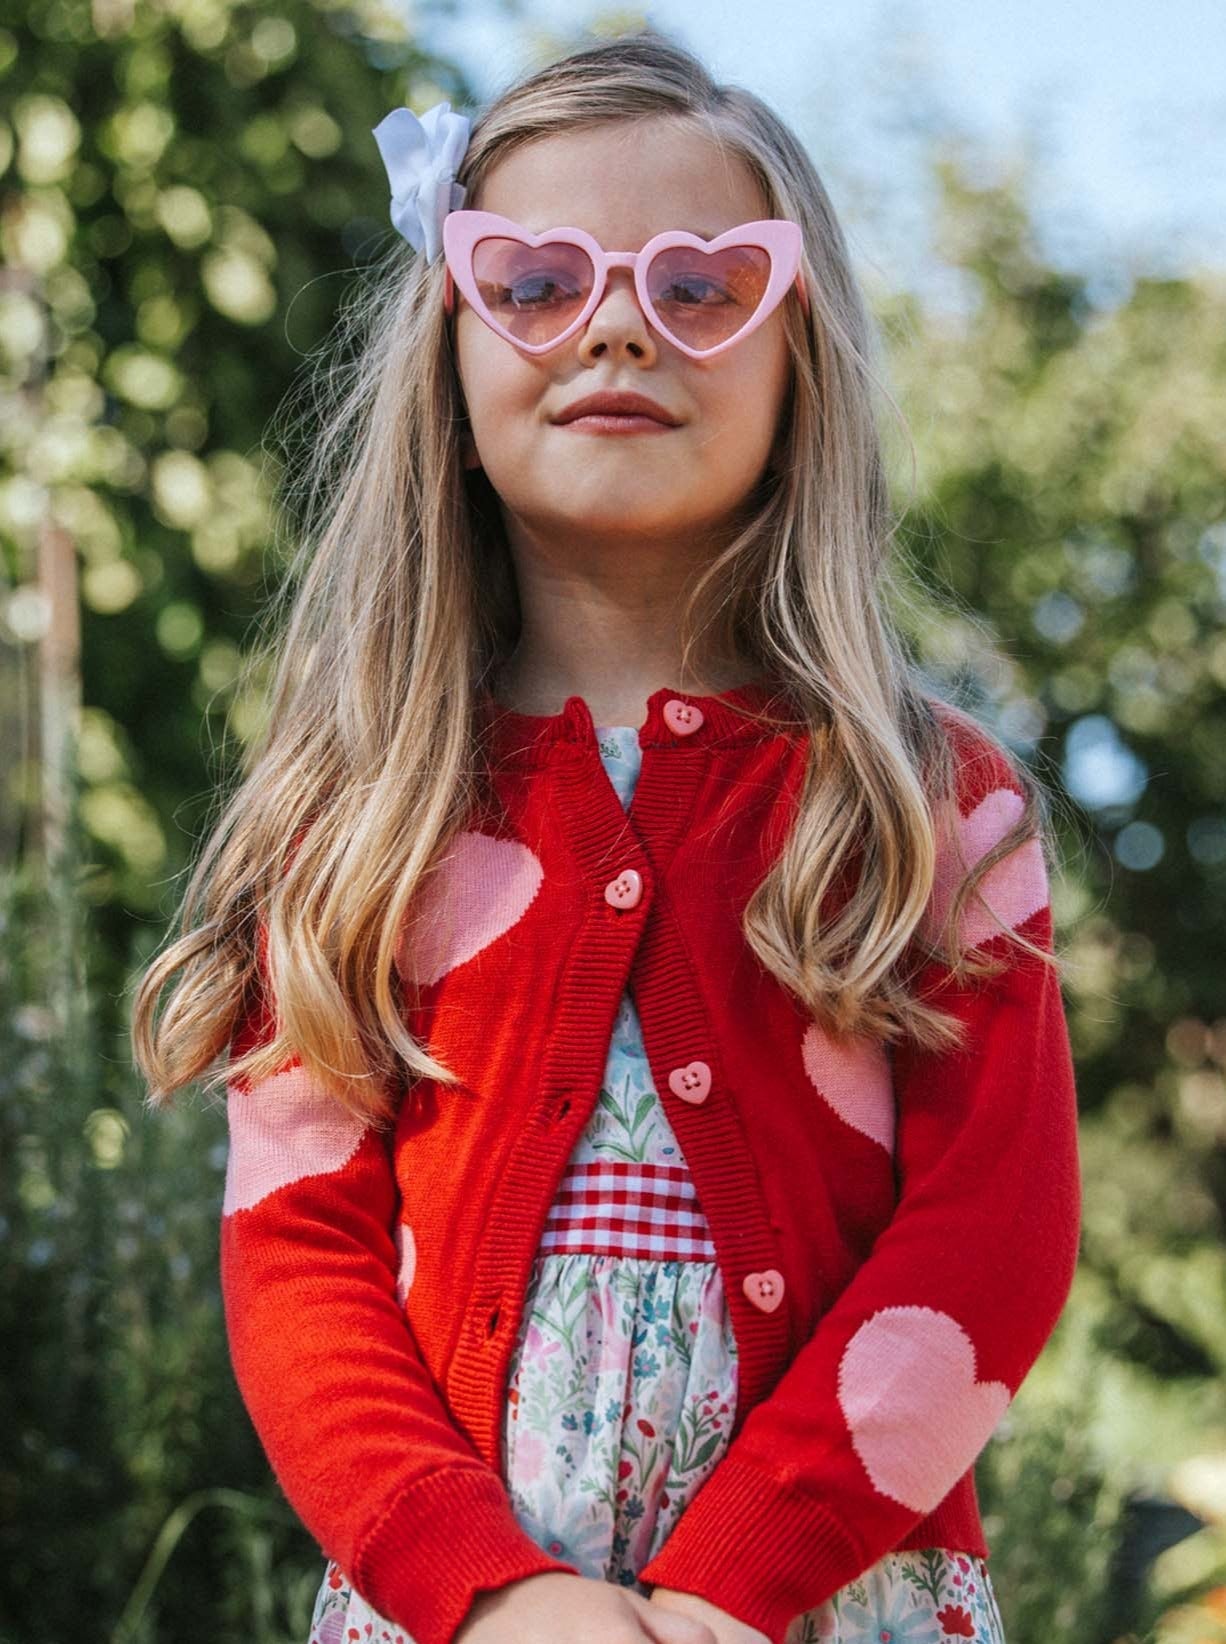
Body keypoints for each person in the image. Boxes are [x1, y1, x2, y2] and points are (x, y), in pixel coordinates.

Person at [130, 26, 1082, 1644]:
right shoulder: (354, 820)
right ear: (448, 341)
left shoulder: (928, 807)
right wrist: (489, 1596)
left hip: (831, 1602)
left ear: (804, 357)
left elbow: (995, 1237)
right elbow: (300, 1259)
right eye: (534, 281)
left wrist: (735, 1590)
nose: (620, 331)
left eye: (703, 286)